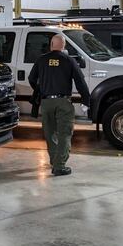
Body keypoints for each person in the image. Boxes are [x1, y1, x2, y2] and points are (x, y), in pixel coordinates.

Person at [28, 35, 90, 176]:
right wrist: (86, 100)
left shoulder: (41, 60)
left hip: (46, 102)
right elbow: (80, 82)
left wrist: (40, 89)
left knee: (50, 133)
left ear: (51, 44)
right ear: (64, 46)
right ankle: (59, 166)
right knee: (64, 134)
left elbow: (31, 78)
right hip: (63, 102)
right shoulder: (69, 60)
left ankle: (54, 160)